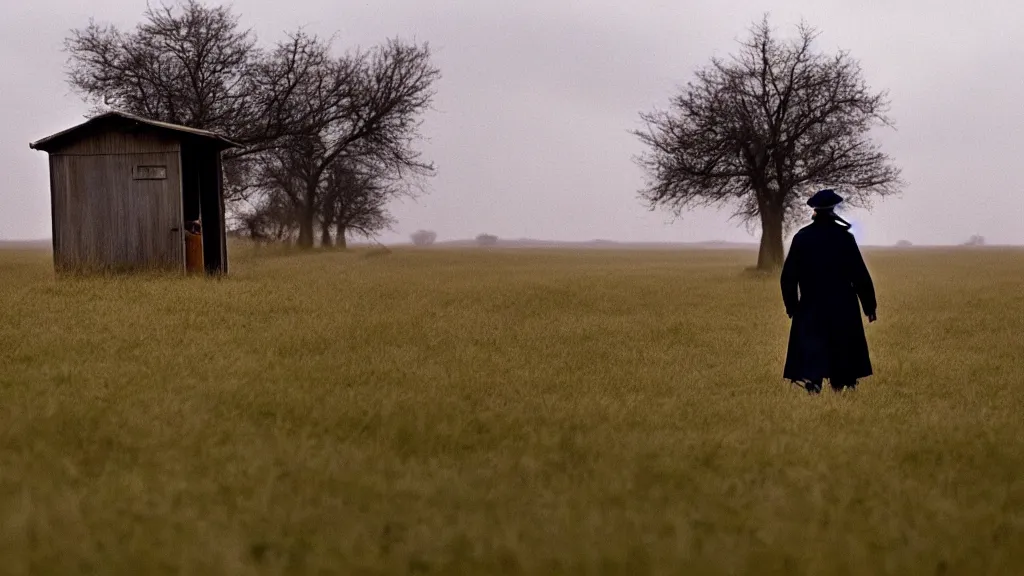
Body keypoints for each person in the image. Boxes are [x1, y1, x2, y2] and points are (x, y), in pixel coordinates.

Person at [781, 189, 877, 394]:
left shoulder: (802, 238)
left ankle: (813, 385)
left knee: (813, 348)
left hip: (810, 305)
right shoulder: (845, 238)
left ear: (814, 211)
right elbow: (860, 275)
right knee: (841, 348)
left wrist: (792, 306)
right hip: (843, 305)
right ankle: (839, 387)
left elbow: (788, 277)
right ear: (833, 210)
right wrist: (869, 307)